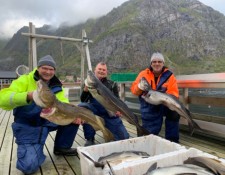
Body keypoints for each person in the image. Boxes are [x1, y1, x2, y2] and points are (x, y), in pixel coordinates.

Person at [0, 55, 79, 174]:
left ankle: (62, 147)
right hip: (28, 126)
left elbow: (63, 102)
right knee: (28, 166)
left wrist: (73, 113)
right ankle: (34, 148)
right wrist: (28, 96)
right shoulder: (24, 80)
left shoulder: (56, 85)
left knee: (75, 114)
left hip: (48, 120)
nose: (48, 72)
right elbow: (3, 99)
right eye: (44, 68)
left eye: (51, 69)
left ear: (54, 71)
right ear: (38, 68)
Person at [130, 52, 180, 143]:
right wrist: (139, 87)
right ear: (151, 63)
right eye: (154, 61)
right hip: (148, 105)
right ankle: (148, 138)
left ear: (163, 63)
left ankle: (172, 140)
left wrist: (168, 101)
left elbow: (174, 93)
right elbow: (134, 90)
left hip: (164, 104)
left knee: (174, 112)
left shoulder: (170, 76)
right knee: (149, 135)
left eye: (159, 61)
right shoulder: (143, 74)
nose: (157, 64)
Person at [78, 62, 130, 146]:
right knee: (83, 107)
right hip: (95, 111)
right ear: (95, 70)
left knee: (124, 137)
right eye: (99, 69)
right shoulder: (87, 83)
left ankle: (112, 131)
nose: (101, 71)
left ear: (106, 72)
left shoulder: (112, 84)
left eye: (104, 70)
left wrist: (118, 110)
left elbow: (117, 100)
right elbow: (83, 100)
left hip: (109, 113)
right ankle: (90, 138)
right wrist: (85, 90)